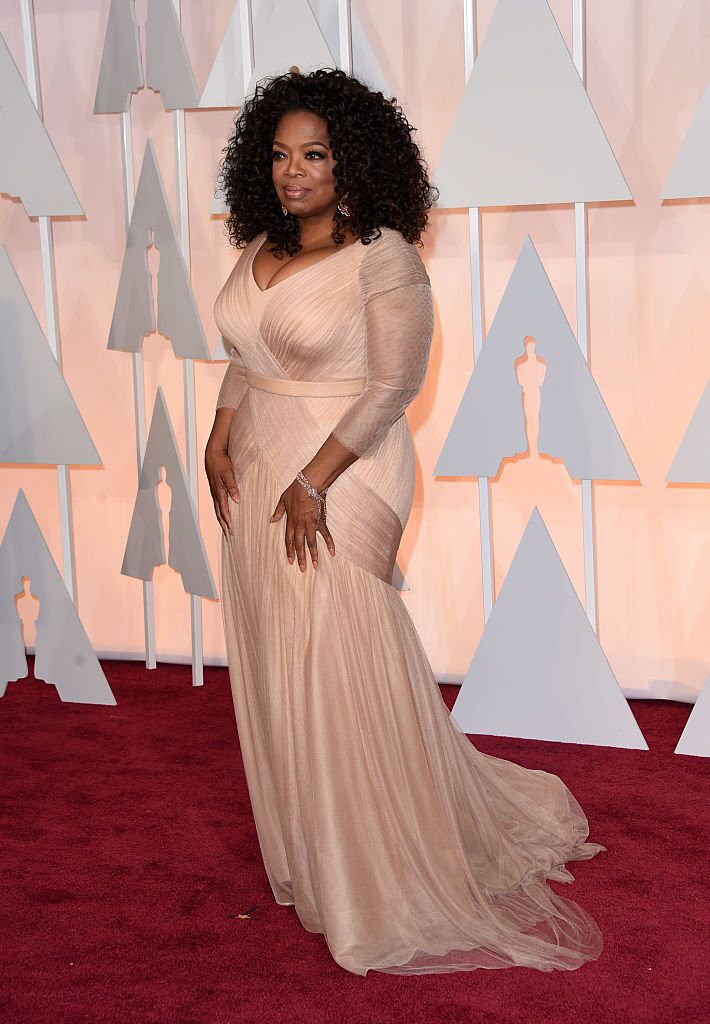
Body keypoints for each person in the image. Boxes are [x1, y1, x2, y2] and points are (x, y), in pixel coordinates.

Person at [204, 68, 604, 977]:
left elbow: (393, 386)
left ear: (356, 163)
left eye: (314, 156)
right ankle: (318, 853)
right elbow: (246, 350)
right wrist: (220, 434)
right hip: (261, 465)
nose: (292, 172)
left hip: (341, 472)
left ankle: (377, 868)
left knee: (335, 659)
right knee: (281, 660)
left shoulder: (383, 254)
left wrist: (312, 480)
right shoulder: (264, 244)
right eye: (279, 155)